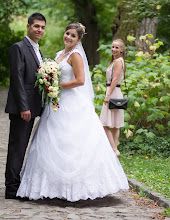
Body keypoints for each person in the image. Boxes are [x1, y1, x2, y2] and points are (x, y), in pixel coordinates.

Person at [16, 23, 129, 201]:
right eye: (67, 33)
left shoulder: (75, 55)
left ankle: (75, 188)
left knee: (73, 142)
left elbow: (80, 80)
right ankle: (53, 187)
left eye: (73, 36)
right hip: (56, 103)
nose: (68, 37)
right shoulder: (59, 54)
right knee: (51, 140)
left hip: (72, 101)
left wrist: (56, 86)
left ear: (78, 40)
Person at [4, 13, 46, 200]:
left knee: (23, 146)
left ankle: (18, 184)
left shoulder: (38, 50)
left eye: (43, 27)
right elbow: (17, 79)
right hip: (23, 109)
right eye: (36, 26)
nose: (39, 30)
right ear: (28, 26)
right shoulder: (18, 48)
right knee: (17, 147)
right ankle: (11, 189)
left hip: (34, 107)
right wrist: (23, 107)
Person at [100, 39, 126, 156]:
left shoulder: (118, 62)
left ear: (122, 50)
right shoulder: (115, 61)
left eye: (117, 48)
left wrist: (108, 95)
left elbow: (115, 79)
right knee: (114, 124)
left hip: (113, 92)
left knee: (106, 123)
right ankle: (114, 151)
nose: (114, 49)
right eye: (113, 47)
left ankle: (114, 149)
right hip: (114, 91)